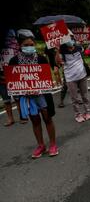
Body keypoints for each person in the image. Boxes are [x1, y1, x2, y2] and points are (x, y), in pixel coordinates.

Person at [9, 29, 58, 158]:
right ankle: (41, 145)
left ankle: (53, 144)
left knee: (47, 118)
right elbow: (13, 83)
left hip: (42, 96)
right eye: (26, 45)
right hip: (28, 98)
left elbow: (48, 79)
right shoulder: (14, 62)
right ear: (20, 45)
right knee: (35, 121)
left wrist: (46, 85)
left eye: (31, 44)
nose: (29, 47)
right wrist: (19, 97)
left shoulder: (41, 59)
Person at [56, 31, 90, 122]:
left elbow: (87, 52)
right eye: (68, 38)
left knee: (85, 96)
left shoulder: (79, 48)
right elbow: (58, 62)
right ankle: (78, 115)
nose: (70, 40)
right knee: (75, 98)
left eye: (71, 38)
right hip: (71, 78)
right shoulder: (62, 51)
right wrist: (57, 50)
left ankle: (87, 112)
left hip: (82, 75)